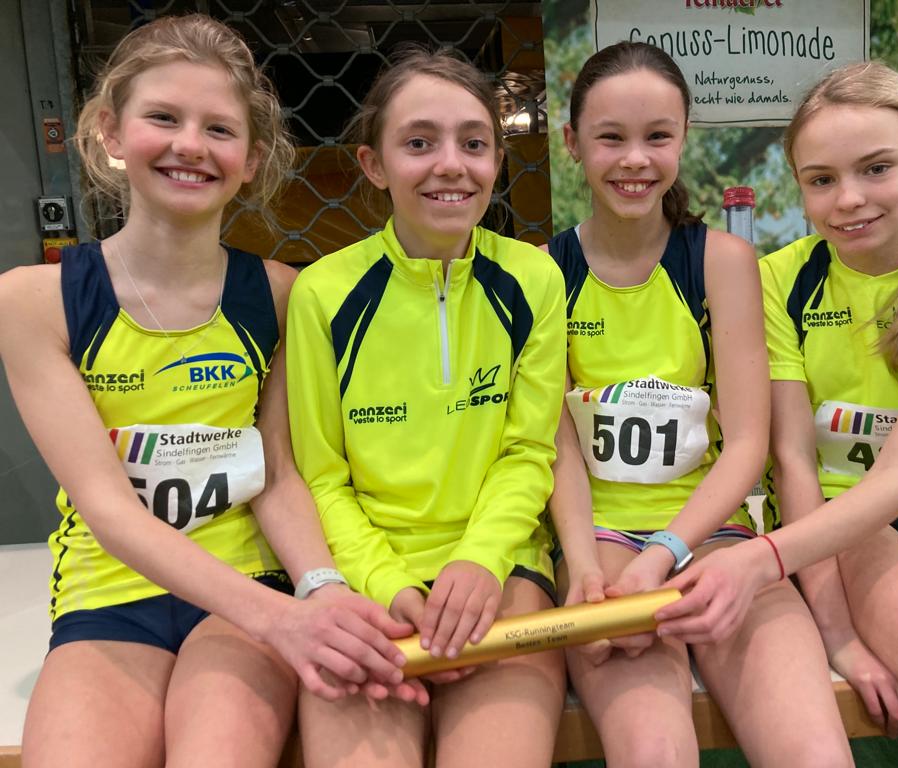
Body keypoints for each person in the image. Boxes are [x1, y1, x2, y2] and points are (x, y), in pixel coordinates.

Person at [0, 15, 422, 768]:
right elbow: (106, 508)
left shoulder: (282, 295)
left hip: (247, 586)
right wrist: (284, 620)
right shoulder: (35, 301)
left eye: (219, 129)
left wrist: (319, 588)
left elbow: (279, 473)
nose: (191, 145)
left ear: (252, 158)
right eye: (163, 118)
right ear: (111, 132)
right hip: (108, 599)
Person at [658, 62, 898, 765]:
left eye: (876, 169)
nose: (849, 200)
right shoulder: (774, 281)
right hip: (827, 513)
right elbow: (793, 459)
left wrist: (761, 561)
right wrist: (837, 634)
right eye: (821, 179)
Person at [545, 41, 853, 767]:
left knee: (815, 755)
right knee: (654, 753)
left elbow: (747, 442)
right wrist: (586, 568)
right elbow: (555, 446)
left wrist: (667, 552)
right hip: (598, 546)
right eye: (610, 137)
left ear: (684, 137)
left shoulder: (721, 261)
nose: (635, 159)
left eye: (657, 136)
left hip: (714, 538)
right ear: (572, 143)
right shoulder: (543, 271)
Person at [285, 47, 567, 768]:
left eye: (473, 143)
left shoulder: (533, 278)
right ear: (373, 164)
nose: (451, 165)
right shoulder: (323, 293)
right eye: (418, 143)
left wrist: (480, 562)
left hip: (502, 569)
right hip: (364, 586)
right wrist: (386, 587)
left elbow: (528, 453)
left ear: (497, 160)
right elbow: (322, 478)